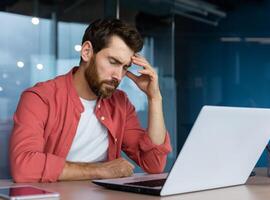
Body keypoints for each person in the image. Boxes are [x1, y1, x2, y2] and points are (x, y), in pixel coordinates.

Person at [9, 18, 172, 183]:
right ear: (87, 51)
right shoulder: (39, 98)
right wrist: (100, 170)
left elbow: (154, 164)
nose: (118, 76)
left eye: (125, 67)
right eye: (113, 62)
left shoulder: (120, 102)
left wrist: (154, 98)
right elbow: (24, 167)